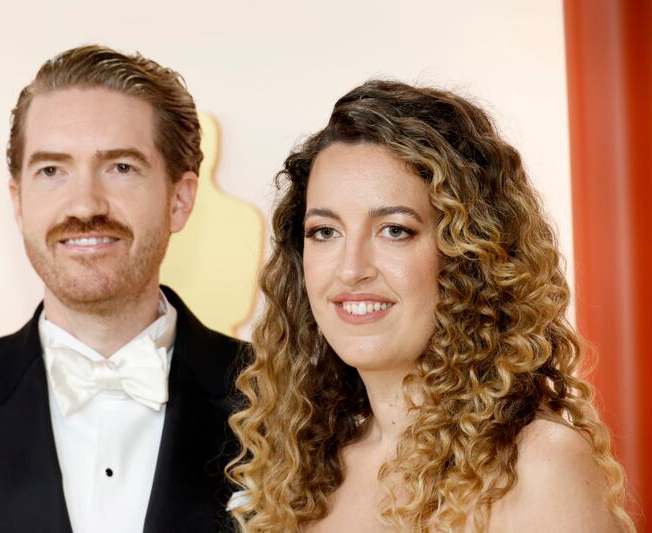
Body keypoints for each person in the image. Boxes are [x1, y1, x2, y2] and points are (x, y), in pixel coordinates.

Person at [0, 45, 244, 533]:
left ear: (179, 200)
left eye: (121, 167)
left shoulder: (285, 401)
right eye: (52, 171)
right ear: (18, 203)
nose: (85, 205)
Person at [227, 80, 634, 532]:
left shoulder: (537, 465)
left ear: (468, 256)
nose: (351, 269)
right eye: (325, 232)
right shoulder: (302, 476)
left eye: (395, 230)